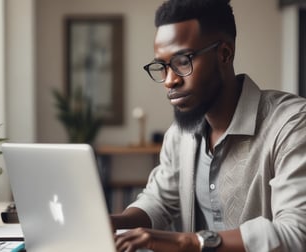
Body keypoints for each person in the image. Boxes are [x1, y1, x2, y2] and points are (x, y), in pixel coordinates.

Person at [111, 0, 306, 251]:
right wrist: (114, 223)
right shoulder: (178, 135)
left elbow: (297, 232)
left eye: (182, 61)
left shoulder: (292, 125)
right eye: (162, 66)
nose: (169, 81)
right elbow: (159, 200)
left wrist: (188, 241)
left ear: (225, 53)